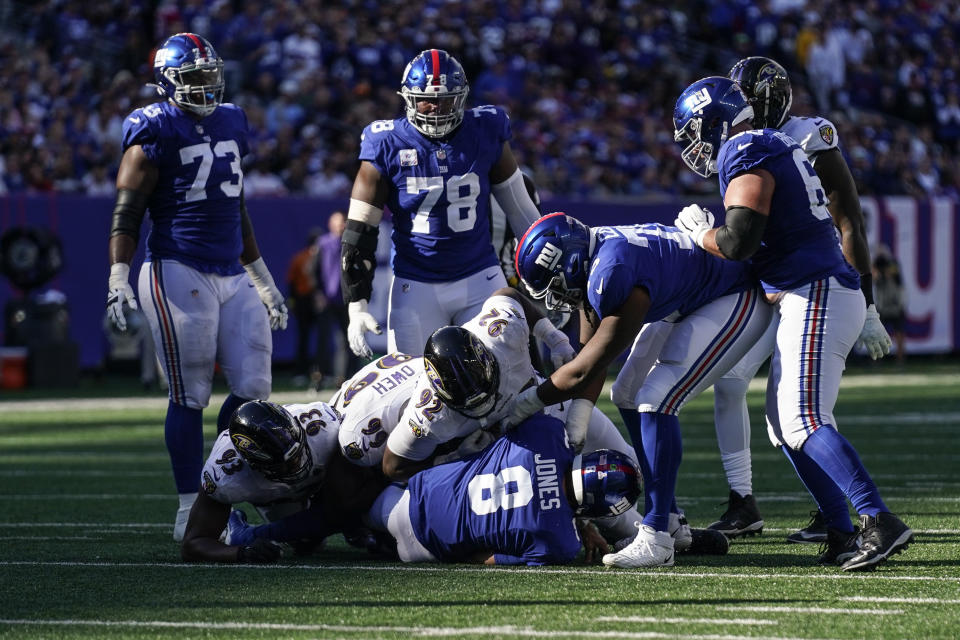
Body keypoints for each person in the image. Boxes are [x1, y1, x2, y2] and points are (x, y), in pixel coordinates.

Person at [668, 75, 911, 571]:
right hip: (810, 291)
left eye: (694, 131)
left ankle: (877, 519)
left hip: (816, 290)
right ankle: (841, 529)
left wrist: (701, 234)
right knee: (783, 424)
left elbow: (739, 242)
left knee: (803, 419)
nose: (693, 145)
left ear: (715, 122)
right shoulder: (769, 142)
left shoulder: (746, 150)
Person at [509, 213, 774, 568]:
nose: (556, 298)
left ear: (570, 264)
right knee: (628, 393)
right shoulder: (596, 252)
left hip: (732, 294)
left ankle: (657, 537)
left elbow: (589, 364)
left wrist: (527, 403)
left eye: (555, 286)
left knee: (657, 399)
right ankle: (671, 521)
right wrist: (578, 416)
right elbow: (591, 356)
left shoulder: (612, 271)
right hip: (690, 298)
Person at [104, 33, 288, 542]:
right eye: (194, 79)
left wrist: (264, 280)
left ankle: (220, 485)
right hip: (177, 268)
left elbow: (237, 207)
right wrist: (118, 276)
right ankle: (190, 506)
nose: (206, 87)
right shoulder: (153, 128)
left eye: (211, 76)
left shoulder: (231, 119)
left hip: (232, 271)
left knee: (254, 392)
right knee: (191, 394)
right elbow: (127, 212)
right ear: (167, 82)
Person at [341, 49, 541, 361]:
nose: (435, 108)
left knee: (507, 376)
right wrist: (357, 304)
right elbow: (358, 233)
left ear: (461, 98)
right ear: (408, 98)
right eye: (426, 100)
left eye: (445, 99)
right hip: (416, 284)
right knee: (412, 385)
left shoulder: (485, 129)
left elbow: (522, 213)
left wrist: (546, 278)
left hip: (481, 278)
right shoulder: (386, 142)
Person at [366, 412, 641, 565]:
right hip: (424, 548)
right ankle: (375, 540)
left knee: (358, 506)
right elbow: (484, 557)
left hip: (416, 493)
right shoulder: (563, 545)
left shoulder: (548, 434)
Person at [181, 400, 385, 563]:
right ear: (253, 463)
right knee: (306, 543)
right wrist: (240, 553)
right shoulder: (225, 472)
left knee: (350, 503)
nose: (297, 466)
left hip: (324, 475)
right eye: (285, 464)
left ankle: (353, 525)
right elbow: (193, 544)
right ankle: (238, 532)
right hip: (277, 494)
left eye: (297, 454)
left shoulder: (325, 427)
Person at [313, 211, 356, 389]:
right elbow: (314, 270)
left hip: (346, 300)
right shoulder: (323, 243)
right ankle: (320, 377)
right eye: (337, 222)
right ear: (331, 224)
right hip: (327, 300)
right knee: (323, 340)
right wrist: (318, 294)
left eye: (343, 222)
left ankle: (346, 379)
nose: (340, 225)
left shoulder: (351, 243)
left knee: (348, 341)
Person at [286, 229, 321, 383]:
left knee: (308, 338)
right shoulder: (302, 258)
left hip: (307, 299)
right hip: (310, 299)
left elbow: (291, 283)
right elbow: (292, 282)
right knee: (310, 338)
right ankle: (311, 372)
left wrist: (292, 302)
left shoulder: (299, 257)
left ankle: (308, 372)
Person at [872, 247, 907, 366]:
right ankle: (877, 359)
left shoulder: (893, 267)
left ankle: (900, 359)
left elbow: (893, 275)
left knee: (899, 333)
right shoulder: (876, 268)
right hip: (883, 306)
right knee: (877, 334)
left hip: (895, 305)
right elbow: (874, 277)